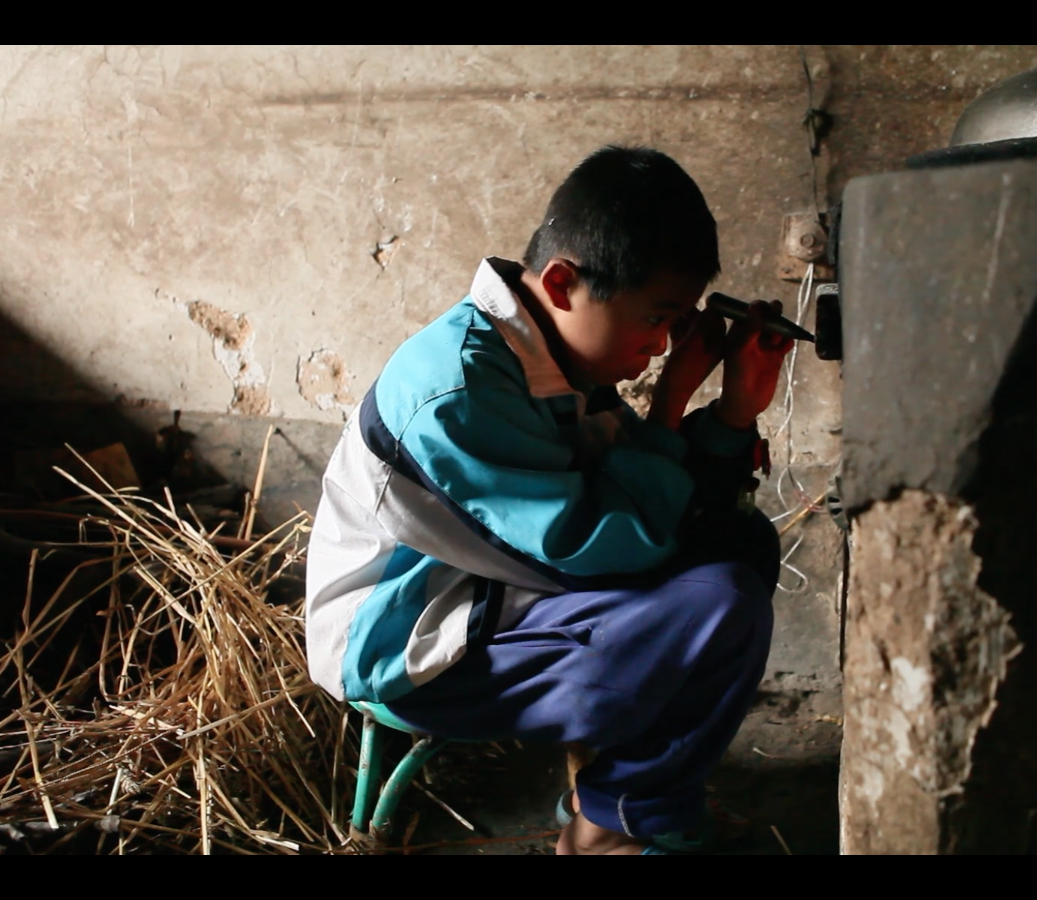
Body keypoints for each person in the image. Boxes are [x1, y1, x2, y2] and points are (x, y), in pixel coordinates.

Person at [305, 145, 793, 854]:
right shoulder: (459, 390)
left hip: (496, 596)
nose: (660, 346)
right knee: (717, 604)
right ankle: (612, 824)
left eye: (678, 328)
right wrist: (674, 401)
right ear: (563, 282)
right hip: (408, 642)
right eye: (657, 320)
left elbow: (664, 508)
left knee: (740, 550)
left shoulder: (552, 359)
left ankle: (612, 793)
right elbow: (605, 550)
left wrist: (734, 416)